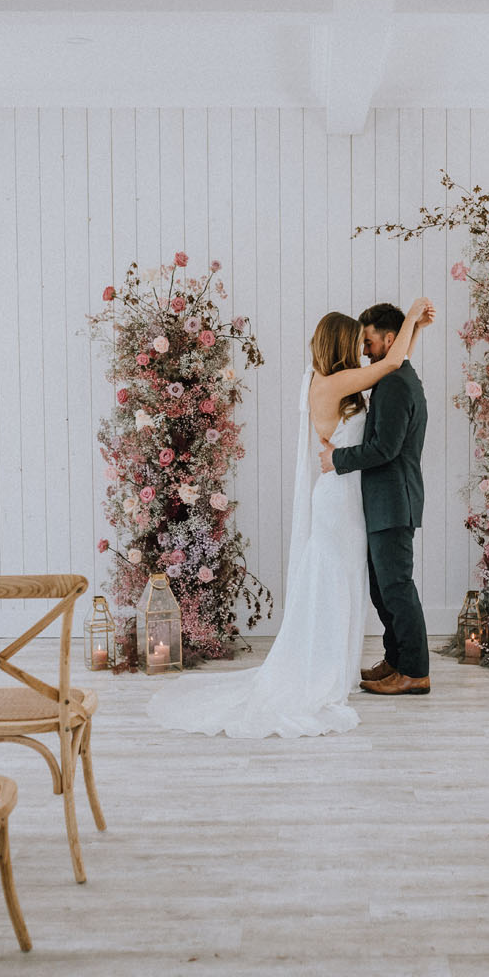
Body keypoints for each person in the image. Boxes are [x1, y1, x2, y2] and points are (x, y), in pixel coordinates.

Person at [147, 298, 433, 738]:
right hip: (341, 500)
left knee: (364, 584)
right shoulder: (332, 383)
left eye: (368, 340)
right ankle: (336, 667)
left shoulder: (347, 380)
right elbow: (392, 359)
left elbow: (394, 361)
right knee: (344, 581)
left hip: (358, 498)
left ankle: (387, 665)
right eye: (359, 342)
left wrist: (413, 328)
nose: (364, 348)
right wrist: (412, 319)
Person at [319, 303, 431, 696]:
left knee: (397, 588)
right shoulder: (394, 375)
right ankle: (396, 659)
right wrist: (414, 327)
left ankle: (415, 671)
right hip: (385, 501)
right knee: (383, 590)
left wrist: (337, 458)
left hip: (393, 500)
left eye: (368, 342)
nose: (364, 350)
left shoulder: (397, 383)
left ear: (388, 339)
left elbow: (385, 448)